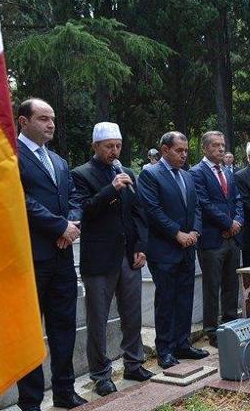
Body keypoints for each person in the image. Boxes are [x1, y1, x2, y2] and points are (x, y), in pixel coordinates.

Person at [71, 122, 154, 397]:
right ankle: (101, 374)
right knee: (98, 318)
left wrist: (141, 246)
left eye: (118, 146)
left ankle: (134, 363)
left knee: (132, 313)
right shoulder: (81, 174)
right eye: (109, 147)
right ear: (95, 146)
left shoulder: (127, 171)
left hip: (128, 255)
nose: (114, 151)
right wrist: (111, 189)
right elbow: (84, 211)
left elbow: (138, 212)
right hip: (99, 259)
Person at [15, 98, 87, 411]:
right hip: (31, 258)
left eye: (53, 119)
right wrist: (60, 226)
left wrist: (70, 224)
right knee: (29, 334)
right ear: (23, 121)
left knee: (63, 327)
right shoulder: (10, 155)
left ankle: (64, 391)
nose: (51, 124)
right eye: (43, 118)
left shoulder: (57, 160)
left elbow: (73, 195)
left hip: (62, 257)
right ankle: (30, 401)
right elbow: (20, 199)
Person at [137, 131, 208, 370]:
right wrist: (177, 233)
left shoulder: (187, 176)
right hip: (165, 249)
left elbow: (197, 207)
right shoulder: (150, 174)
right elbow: (152, 210)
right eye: (179, 151)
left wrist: (195, 232)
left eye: (186, 151)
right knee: (166, 300)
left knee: (185, 298)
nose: (184, 155)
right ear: (165, 150)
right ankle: (165, 349)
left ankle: (182, 343)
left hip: (188, 247)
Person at [190, 131, 243, 348]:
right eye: (215, 145)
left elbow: (238, 199)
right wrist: (228, 223)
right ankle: (212, 331)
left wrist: (238, 221)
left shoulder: (229, 171)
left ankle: (230, 323)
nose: (221, 149)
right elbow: (204, 203)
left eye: (222, 145)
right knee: (212, 287)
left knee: (231, 284)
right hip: (212, 240)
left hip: (233, 238)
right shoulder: (196, 172)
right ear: (204, 148)